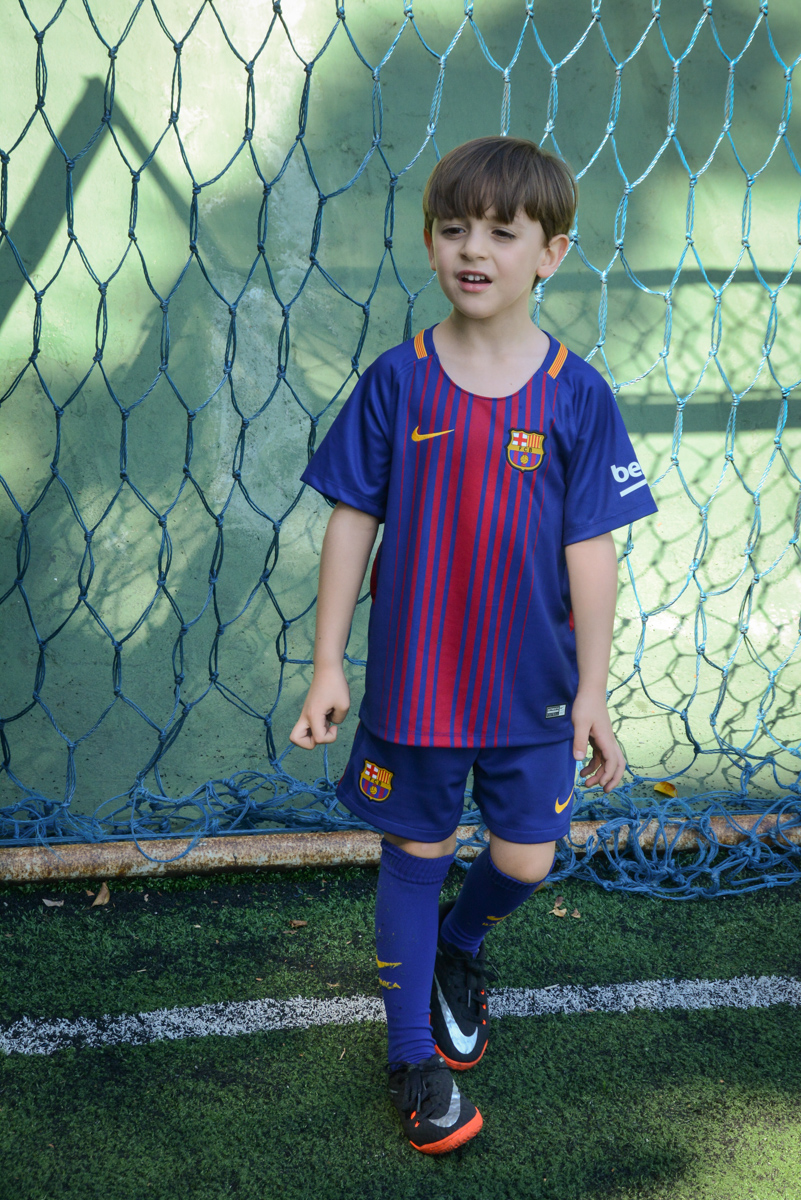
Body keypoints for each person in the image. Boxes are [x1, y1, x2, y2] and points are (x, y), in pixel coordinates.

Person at [290, 136, 657, 1154]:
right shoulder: (397, 381)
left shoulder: (576, 394)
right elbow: (351, 521)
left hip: (532, 689)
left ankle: (460, 946)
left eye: (501, 231)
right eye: (453, 228)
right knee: (414, 852)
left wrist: (593, 690)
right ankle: (412, 1061)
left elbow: (591, 550)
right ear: (429, 242)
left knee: (526, 859)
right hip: (417, 688)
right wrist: (327, 664)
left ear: (551, 254)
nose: (473, 249)